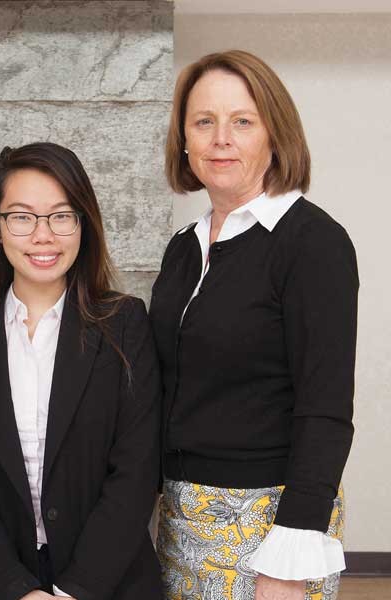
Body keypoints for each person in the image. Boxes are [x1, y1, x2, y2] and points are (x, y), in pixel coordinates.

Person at [151, 50, 358, 600]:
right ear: (185, 140)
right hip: (181, 517)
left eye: (242, 121)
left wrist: (289, 558)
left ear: (274, 134)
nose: (221, 138)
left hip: (269, 522)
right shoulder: (183, 249)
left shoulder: (312, 243)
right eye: (204, 121)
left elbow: (326, 408)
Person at [0, 142, 163, 600]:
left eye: (61, 215)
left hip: (108, 582)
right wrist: (16, 590)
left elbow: (136, 472)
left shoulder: (125, 323)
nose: (43, 236)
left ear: (83, 224)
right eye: (21, 216)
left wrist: (77, 589)